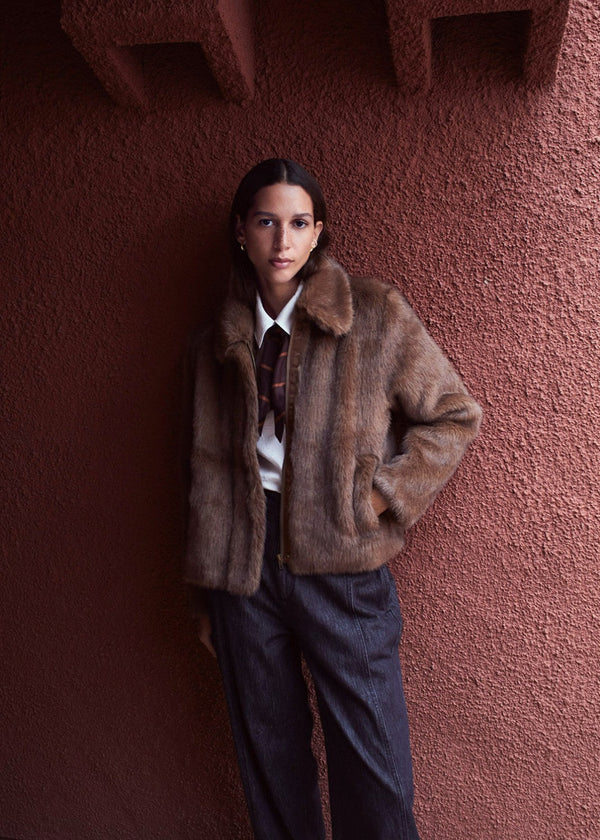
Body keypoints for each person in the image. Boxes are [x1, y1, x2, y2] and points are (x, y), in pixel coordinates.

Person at [184, 158, 482, 840]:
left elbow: (453, 414)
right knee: (269, 756)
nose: (282, 240)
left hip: (342, 561)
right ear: (241, 231)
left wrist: (376, 499)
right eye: (266, 222)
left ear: (318, 232)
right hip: (241, 568)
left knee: (374, 763)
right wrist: (205, 592)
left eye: (298, 223)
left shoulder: (373, 314)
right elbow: (196, 471)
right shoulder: (215, 342)